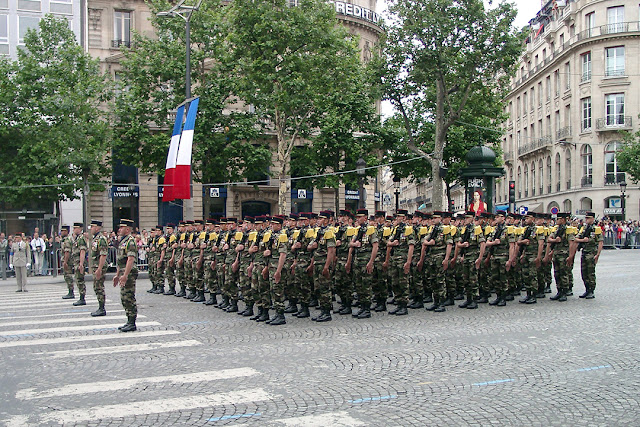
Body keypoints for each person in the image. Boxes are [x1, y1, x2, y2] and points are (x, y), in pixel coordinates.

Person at [567, 211, 603, 299]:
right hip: (585, 252)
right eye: (586, 218)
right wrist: (582, 240)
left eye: (588, 218)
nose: (587, 220)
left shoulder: (596, 229)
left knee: (590, 273)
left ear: (593, 219)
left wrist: (597, 255)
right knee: (584, 272)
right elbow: (576, 239)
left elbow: (600, 242)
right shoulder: (584, 228)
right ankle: (587, 289)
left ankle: (591, 291)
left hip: (591, 252)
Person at [113, 219, 139, 332]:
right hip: (124, 271)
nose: (119, 229)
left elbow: (130, 259)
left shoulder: (130, 241)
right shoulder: (123, 241)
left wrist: (125, 275)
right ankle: (129, 320)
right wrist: (118, 274)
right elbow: (120, 260)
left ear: (127, 229)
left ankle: (132, 322)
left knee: (128, 297)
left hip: (129, 273)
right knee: (124, 298)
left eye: (122, 228)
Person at [89, 220, 109, 316]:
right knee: (96, 287)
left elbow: (103, 255)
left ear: (97, 228)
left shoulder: (101, 239)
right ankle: (100, 306)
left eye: (93, 227)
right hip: (96, 265)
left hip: (99, 266)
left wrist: (99, 269)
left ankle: (102, 308)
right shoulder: (96, 238)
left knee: (99, 286)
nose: (91, 229)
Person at [70, 223, 88, 306]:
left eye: (75, 228)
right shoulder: (77, 239)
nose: (74, 229)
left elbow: (82, 251)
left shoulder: (81, 239)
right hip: (76, 261)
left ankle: (82, 298)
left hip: (79, 262)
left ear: (80, 229)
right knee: (78, 279)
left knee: (80, 280)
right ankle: (81, 297)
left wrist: (81, 264)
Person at [60, 226, 76, 299]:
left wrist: (65, 262)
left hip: (68, 261)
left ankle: (71, 292)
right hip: (68, 260)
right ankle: (70, 291)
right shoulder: (66, 239)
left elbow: (67, 251)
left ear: (66, 232)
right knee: (67, 276)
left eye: (63, 231)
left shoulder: (67, 240)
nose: (62, 232)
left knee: (68, 276)